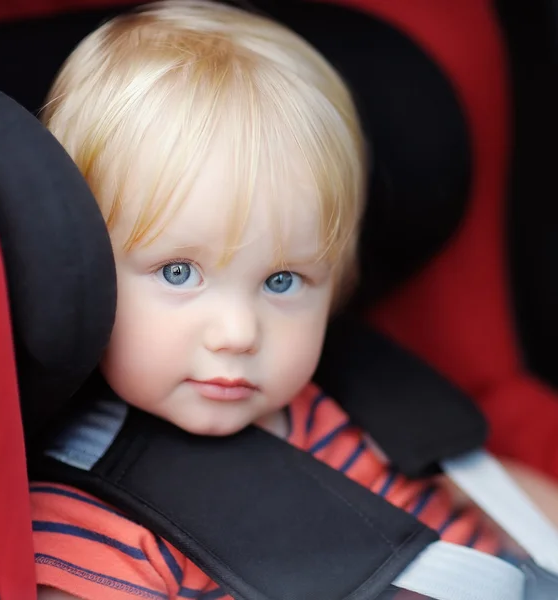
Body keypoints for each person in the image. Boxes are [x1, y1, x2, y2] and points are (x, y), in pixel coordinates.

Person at [31, 2, 527, 598]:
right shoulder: (85, 525)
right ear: (84, 272)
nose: (239, 332)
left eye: (283, 281)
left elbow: (479, 533)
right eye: (179, 271)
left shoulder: (343, 418)